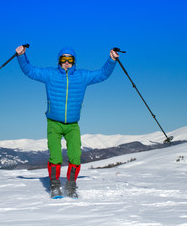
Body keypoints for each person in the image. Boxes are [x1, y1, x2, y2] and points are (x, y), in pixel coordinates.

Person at [16, 45, 119, 198]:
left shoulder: (82, 76)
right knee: (55, 156)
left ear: (74, 61)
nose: (66, 62)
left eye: (69, 59)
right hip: (54, 123)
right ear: (59, 60)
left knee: (75, 155)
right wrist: (22, 56)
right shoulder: (50, 74)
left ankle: (71, 185)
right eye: (63, 59)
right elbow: (30, 71)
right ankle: (55, 185)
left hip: (72, 125)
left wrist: (111, 60)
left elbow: (102, 74)